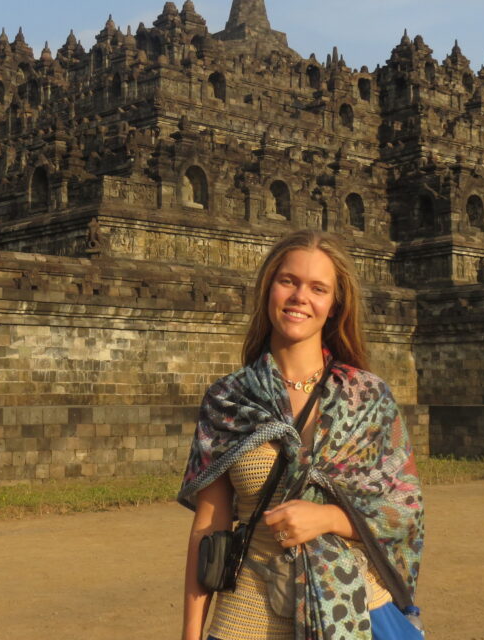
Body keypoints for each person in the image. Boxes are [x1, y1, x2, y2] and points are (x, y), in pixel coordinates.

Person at [178, 230, 424, 640]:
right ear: (268, 289)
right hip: (250, 609)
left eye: (318, 288)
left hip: (355, 607)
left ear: (333, 305)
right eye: (288, 281)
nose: (299, 297)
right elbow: (209, 527)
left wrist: (330, 517)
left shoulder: (367, 398)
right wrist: (190, 634)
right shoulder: (229, 400)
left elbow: (405, 508)